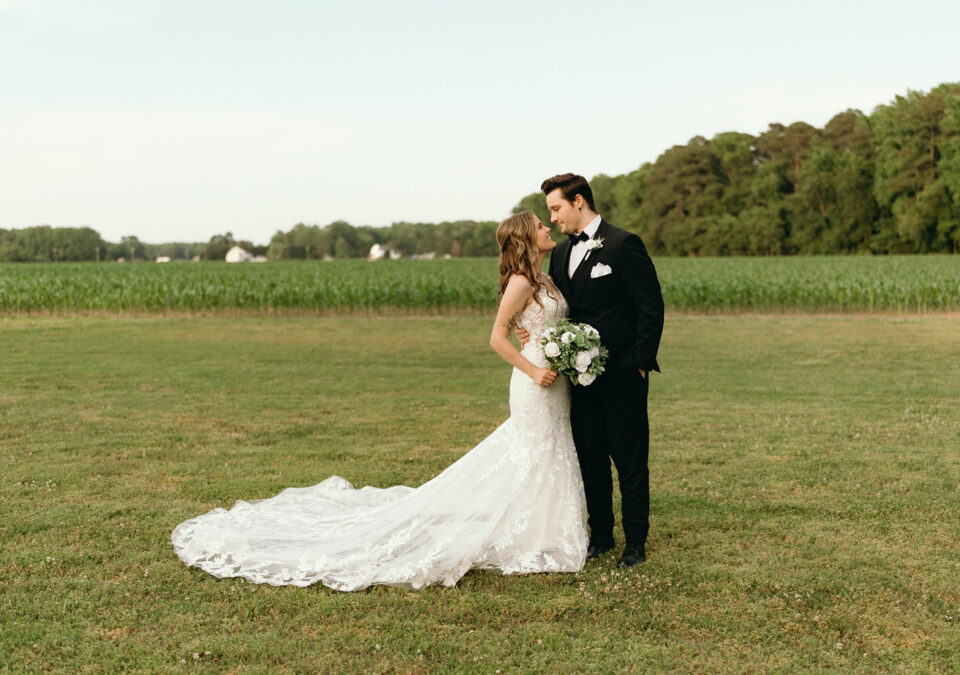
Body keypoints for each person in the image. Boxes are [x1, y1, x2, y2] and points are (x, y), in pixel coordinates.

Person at [171, 211, 586, 591]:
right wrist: (532, 368)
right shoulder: (520, 282)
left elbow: (534, 324)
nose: (547, 227)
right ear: (526, 237)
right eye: (539, 224)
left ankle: (544, 529)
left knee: (549, 452)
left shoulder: (545, 278)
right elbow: (496, 335)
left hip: (553, 381)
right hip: (533, 383)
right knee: (535, 452)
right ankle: (534, 533)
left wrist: (556, 345)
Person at [521, 173, 663, 568]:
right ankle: (600, 535)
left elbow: (651, 308)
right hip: (578, 381)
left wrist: (639, 364)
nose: (552, 219)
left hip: (622, 375)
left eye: (556, 208)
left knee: (630, 461)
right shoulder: (561, 254)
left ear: (579, 201)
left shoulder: (623, 244)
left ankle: (635, 543)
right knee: (591, 459)